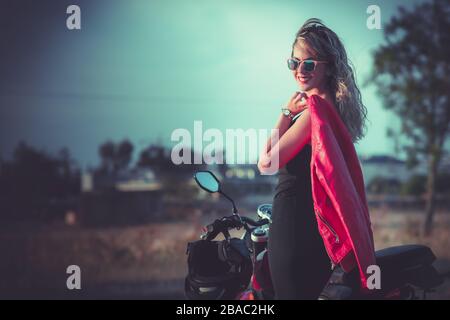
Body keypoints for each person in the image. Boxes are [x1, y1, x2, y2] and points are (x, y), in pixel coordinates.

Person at [258, 18, 370, 299]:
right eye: (293, 63)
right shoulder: (332, 110)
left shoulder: (312, 115)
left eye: (309, 64)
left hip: (293, 230)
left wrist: (284, 113)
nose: (299, 71)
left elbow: (266, 163)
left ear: (329, 66)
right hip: (314, 234)